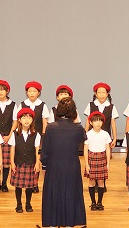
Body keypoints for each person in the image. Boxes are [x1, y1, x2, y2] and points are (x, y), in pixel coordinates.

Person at [40, 97, 87, 228]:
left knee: (53, 193)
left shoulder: (50, 127)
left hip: (53, 165)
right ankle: (69, 224)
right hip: (72, 165)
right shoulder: (78, 128)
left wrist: (44, 165)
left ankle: (53, 224)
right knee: (71, 193)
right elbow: (83, 141)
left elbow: (45, 149)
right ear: (74, 111)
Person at [17, 80, 49, 193]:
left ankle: (34, 183)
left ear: (38, 93)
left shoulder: (42, 105)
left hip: (37, 136)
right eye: (29, 91)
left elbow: (45, 121)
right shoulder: (22, 104)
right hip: (24, 135)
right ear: (26, 92)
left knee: (37, 158)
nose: (32, 93)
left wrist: (44, 135)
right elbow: (18, 120)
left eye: (34, 91)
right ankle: (23, 181)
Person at [9, 107, 41, 213]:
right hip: (18, 163)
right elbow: (12, 149)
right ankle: (18, 204)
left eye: (29, 117)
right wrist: (12, 163)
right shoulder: (15, 134)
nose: (26, 120)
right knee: (18, 186)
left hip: (31, 163)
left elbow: (37, 150)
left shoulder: (36, 134)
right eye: (24, 117)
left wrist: (37, 163)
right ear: (19, 120)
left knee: (29, 186)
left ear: (32, 120)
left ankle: (28, 203)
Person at [84, 111, 112, 211]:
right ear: (91, 122)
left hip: (102, 158)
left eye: (100, 121)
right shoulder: (88, 134)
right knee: (91, 181)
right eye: (95, 121)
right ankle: (93, 202)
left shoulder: (105, 134)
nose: (98, 123)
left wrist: (108, 163)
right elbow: (85, 150)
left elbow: (108, 149)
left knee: (101, 182)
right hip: (91, 158)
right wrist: (86, 164)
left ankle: (100, 202)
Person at [83, 82, 118, 148]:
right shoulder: (91, 105)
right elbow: (87, 122)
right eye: (99, 92)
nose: (101, 95)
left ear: (107, 94)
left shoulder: (111, 107)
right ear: (96, 94)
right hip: (92, 137)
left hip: (106, 138)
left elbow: (113, 124)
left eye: (103, 92)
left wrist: (115, 138)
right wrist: (85, 135)